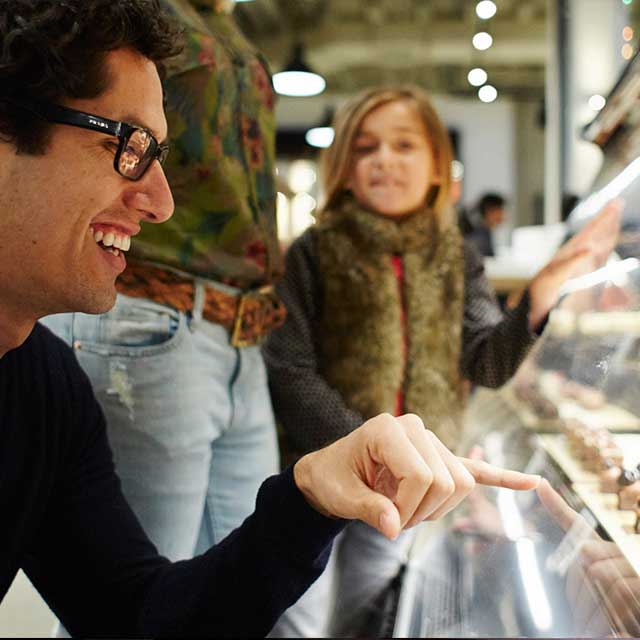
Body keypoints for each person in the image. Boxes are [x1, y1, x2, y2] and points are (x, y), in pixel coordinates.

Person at [0, 3, 543, 637]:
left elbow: (139, 615)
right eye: (127, 146)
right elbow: (292, 363)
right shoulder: (317, 252)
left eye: (161, 155)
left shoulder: (45, 387)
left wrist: (309, 498)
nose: (162, 203)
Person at [263, 85, 621, 636]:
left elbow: (488, 362)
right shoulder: (313, 251)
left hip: (411, 486)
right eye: (365, 148)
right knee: (296, 611)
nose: (384, 158)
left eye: (404, 145)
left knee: (368, 609)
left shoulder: (458, 257)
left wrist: (542, 290)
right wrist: (362, 446)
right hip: (324, 471)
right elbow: (289, 368)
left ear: (435, 166)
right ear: (344, 166)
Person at [41, 0, 285, 562]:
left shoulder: (229, 29)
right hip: (152, 308)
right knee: (139, 581)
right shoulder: (140, 14)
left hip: (238, 329)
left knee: (240, 583)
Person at [464, 191, 507, 257]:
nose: (502, 216)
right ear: (489, 211)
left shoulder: (484, 231)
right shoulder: (478, 238)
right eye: (500, 211)